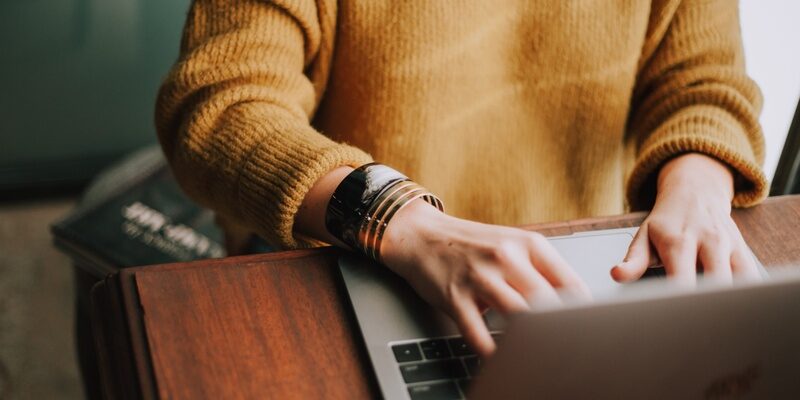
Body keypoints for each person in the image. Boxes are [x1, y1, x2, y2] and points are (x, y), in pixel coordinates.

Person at [155, 0, 768, 357]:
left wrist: (699, 184)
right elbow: (220, 106)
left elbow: (704, 82)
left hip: (577, 278)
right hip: (349, 263)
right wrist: (401, 220)